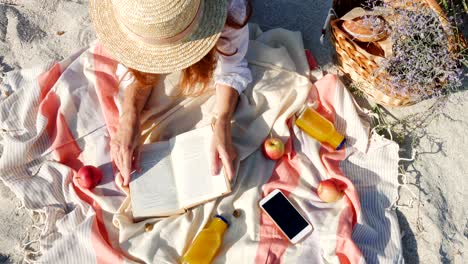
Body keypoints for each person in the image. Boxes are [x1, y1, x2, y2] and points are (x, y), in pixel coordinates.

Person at [89, 0, 252, 186]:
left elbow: (232, 69)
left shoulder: (229, 8)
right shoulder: (128, 9)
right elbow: (137, 66)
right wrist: (129, 116)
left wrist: (223, 120)